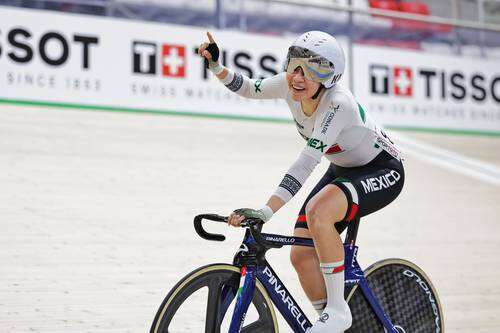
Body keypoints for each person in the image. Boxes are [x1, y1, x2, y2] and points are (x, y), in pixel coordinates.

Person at [198, 30, 405, 333]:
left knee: (320, 212)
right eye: (294, 65)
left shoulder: (338, 104)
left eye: (310, 70)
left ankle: (338, 311)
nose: (297, 76)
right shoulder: (289, 84)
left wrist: (266, 211)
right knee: (301, 255)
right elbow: (249, 88)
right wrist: (217, 67)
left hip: (382, 169)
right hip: (344, 168)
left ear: (329, 77)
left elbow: (306, 163)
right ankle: (337, 325)